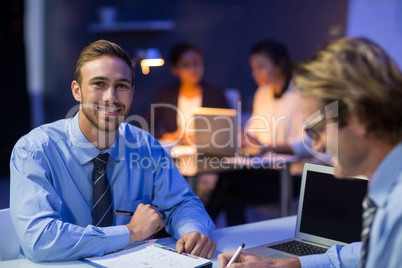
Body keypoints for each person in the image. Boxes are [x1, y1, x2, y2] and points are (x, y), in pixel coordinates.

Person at [9, 40, 216, 262]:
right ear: (77, 91)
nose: (111, 97)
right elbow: (40, 240)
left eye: (122, 86)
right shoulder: (35, 151)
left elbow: (183, 204)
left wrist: (193, 231)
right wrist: (131, 232)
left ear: (132, 92)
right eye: (99, 84)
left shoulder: (145, 146)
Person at [218, 37, 402, 267]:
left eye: (318, 130)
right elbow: (366, 252)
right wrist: (283, 265)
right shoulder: (385, 190)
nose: (316, 147)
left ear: (360, 116)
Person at [207, 39, 306, 226]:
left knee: (229, 179)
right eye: (253, 68)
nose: (255, 73)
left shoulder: (301, 94)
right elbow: (255, 134)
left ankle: (201, 229)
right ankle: (235, 244)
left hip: (294, 176)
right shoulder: (262, 93)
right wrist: (245, 137)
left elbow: (307, 143)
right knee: (231, 196)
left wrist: (265, 147)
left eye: (261, 67)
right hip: (268, 171)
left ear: (279, 65)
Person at [143, 42, 229, 205]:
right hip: (175, 161)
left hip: (206, 163)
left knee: (207, 188)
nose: (194, 69)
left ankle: (197, 222)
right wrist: (170, 136)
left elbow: (227, 133)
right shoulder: (166, 94)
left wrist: (205, 139)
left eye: (197, 63)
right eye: (186, 65)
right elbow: (143, 126)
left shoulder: (216, 94)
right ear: (175, 70)